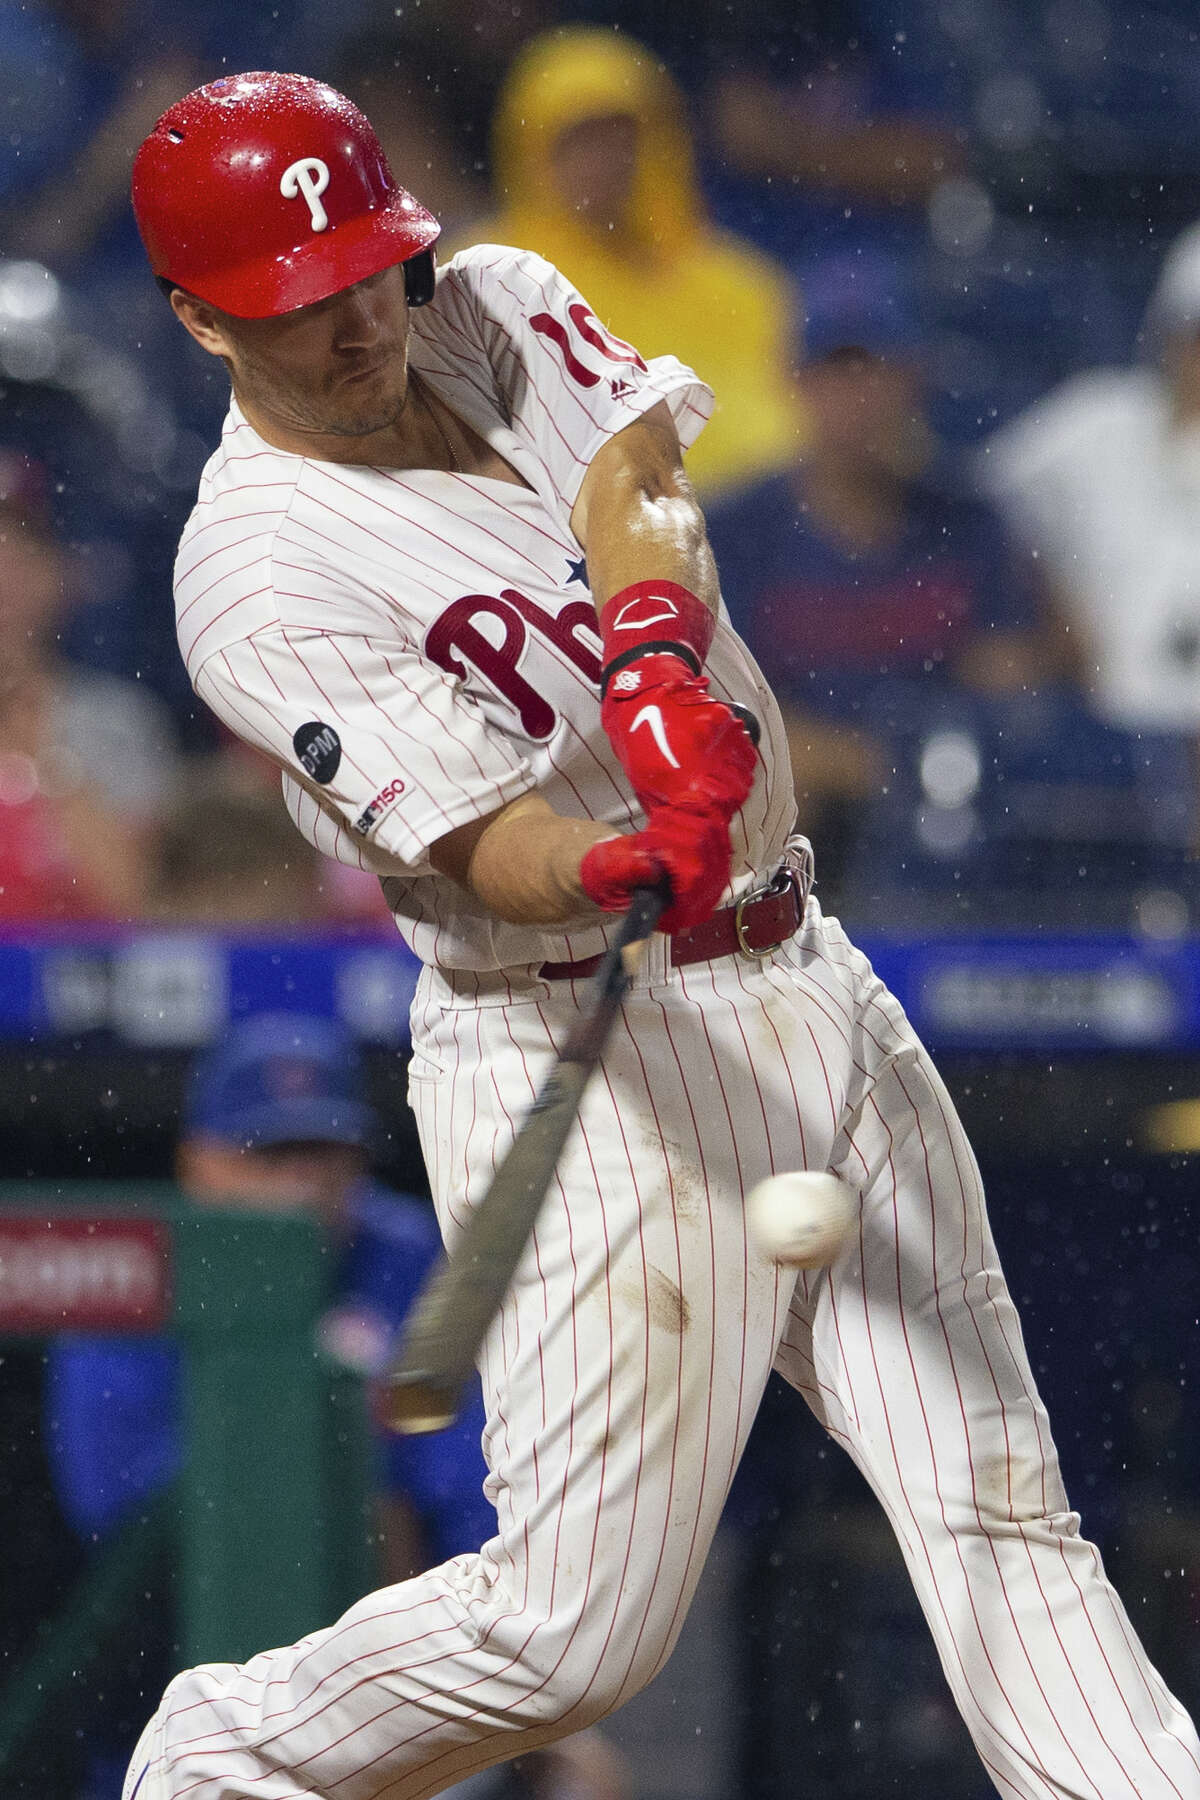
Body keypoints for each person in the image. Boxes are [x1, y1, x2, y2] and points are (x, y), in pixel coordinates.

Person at [123, 70, 1199, 1800]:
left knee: (1000, 1501)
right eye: (294, 311)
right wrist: (613, 862)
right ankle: (220, 1763)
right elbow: (479, 842)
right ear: (196, 319)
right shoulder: (253, 573)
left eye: (368, 276)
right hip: (585, 1041)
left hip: (803, 972)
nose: (354, 327)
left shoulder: (486, 300)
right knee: (574, 1635)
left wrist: (645, 645)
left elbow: (636, 475)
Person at [48, 1011, 625, 1800]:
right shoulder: (141, 1265)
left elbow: (478, 1514)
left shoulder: (412, 1260)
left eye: (325, 1152)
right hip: (168, 1674)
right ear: (197, 1162)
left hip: (391, 1683)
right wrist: (329, 1436)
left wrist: (546, 1727)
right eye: (268, 1154)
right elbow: (125, 1530)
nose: (301, 1183)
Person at [703, 264, 1063, 896]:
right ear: (795, 382)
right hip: (805, 827)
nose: (856, 396)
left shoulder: (968, 520)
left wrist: (928, 745)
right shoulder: (737, 531)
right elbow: (720, 716)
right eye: (834, 372)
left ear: (914, 380)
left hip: (951, 807)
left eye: (875, 369)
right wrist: (873, 759)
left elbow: (1014, 676)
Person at [468, 27, 802, 501]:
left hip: (743, 529)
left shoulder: (742, 282)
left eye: (619, 137)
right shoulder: (486, 281)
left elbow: (776, 435)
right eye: (576, 141)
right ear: (529, 150)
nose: (602, 161)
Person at [980, 217, 1200, 736]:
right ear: (1168, 334)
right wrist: (1051, 616)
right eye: (1197, 333)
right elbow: (973, 511)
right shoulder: (1096, 419)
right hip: (1097, 732)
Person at [0, 446, 178, 919]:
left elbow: (132, 896)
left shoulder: (115, 718)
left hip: (68, 979)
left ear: (60, 575)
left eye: (20, 555)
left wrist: (38, 751)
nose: (4, 578)